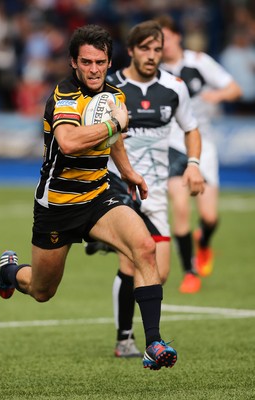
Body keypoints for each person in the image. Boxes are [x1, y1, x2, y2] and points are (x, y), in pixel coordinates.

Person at [0, 24, 178, 371]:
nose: (94, 69)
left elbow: (116, 141)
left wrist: (127, 171)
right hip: (58, 207)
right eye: (87, 62)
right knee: (42, 291)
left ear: (109, 62)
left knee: (145, 247)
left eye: (100, 62)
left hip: (97, 196)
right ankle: (9, 272)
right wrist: (114, 125)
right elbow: (69, 142)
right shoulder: (64, 95)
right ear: (73, 63)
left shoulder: (113, 96)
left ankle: (153, 343)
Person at [85, 20, 205, 357]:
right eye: (144, 49)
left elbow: (191, 128)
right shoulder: (110, 88)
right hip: (115, 187)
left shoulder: (174, 87)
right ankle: (127, 340)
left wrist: (193, 165)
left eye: (157, 49)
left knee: (159, 271)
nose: (151, 55)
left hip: (152, 191)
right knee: (133, 258)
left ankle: (105, 241)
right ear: (132, 50)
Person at [155, 15, 242, 292]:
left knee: (210, 217)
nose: (162, 44)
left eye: (166, 37)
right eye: (158, 40)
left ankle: (203, 242)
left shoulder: (199, 62)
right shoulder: (155, 70)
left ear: (178, 36)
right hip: (171, 143)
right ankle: (190, 271)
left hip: (202, 142)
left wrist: (216, 96)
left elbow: (234, 88)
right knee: (179, 205)